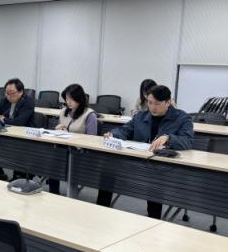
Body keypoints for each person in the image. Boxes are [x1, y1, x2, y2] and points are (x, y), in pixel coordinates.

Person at [96, 85, 194, 219]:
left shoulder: (182, 118)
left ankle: (153, 219)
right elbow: (125, 130)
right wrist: (113, 134)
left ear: (168, 102)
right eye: (150, 102)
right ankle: (101, 210)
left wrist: (169, 138)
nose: (152, 107)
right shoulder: (141, 116)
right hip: (138, 161)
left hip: (163, 167)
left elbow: (188, 141)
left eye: (157, 104)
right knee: (109, 169)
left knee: (155, 180)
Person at [47, 84, 97, 194]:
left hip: (80, 153)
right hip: (62, 149)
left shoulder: (89, 115)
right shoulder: (63, 112)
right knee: (52, 158)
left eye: (71, 99)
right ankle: (54, 193)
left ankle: (71, 194)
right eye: (66, 99)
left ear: (79, 98)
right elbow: (59, 132)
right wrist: (57, 129)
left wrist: (70, 135)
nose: (68, 102)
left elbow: (92, 140)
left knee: (58, 158)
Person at [0, 78, 36, 180]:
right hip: (6, 134)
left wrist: (4, 119)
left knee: (18, 152)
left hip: (24, 138)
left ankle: (19, 178)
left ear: (21, 92)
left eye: (12, 93)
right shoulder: (4, 100)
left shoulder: (28, 102)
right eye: (7, 93)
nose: (9, 96)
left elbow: (20, 122)